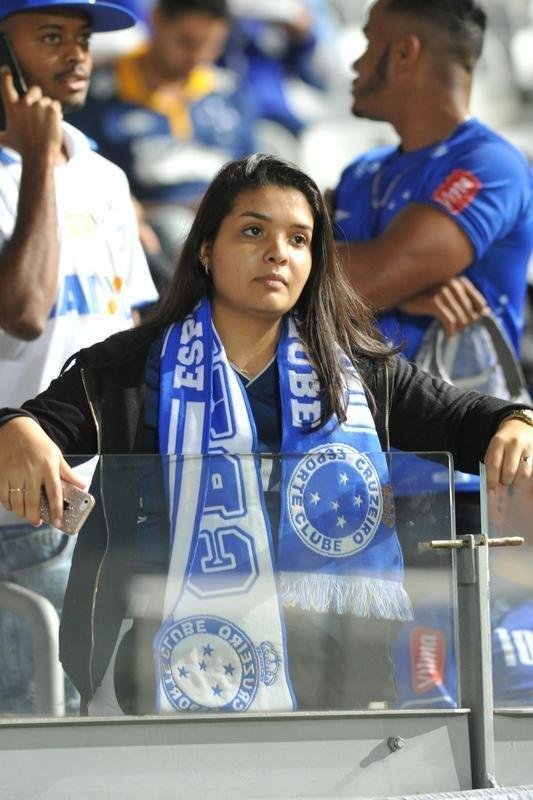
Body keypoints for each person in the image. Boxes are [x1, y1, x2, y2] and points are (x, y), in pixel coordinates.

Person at [0, 154, 532, 717]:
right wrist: (17, 427)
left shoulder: (357, 371)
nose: (278, 252)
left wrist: (517, 423)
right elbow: (34, 426)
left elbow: (469, 417)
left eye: (299, 239)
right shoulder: (130, 368)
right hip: (147, 670)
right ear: (206, 249)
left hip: (332, 674)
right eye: (253, 231)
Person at [0, 0, 158, 714]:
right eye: (52, 37)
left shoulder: (104, 174)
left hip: (92, 506)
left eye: (84, 38)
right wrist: (37, 162)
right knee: (29, 734)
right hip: (11, 511)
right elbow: (25, 312)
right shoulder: (25, 170)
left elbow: (123, 337)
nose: (77, 54)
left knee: (93, 734)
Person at [331, 0, 533, 533]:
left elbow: (362, 279)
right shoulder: (361, 171)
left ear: (403, 54)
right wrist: (399, 288)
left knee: (456, 620)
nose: (355, 62)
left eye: (369, 40)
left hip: (459, 476)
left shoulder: (491, 164)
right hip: (350, 470)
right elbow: (288, 284)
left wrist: (383, 287)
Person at [68, 0, 257, 263]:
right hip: (151, 236)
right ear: (156, 20)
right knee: (175, 227)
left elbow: (255, 178)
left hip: (232, 225)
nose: (198, 57)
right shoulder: (99, 95)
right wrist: (185, 210)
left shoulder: (228, 91)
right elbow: (89, 190)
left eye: (212, 45)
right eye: (186, 41)